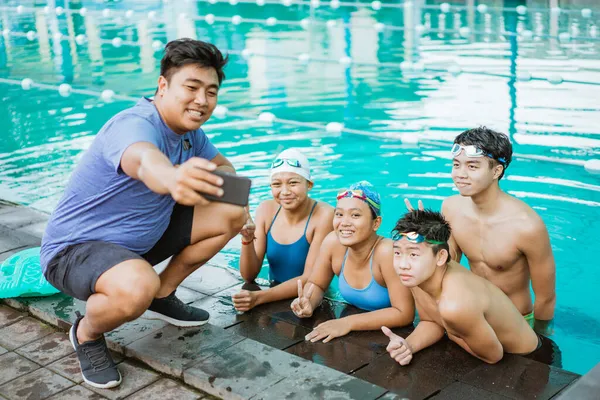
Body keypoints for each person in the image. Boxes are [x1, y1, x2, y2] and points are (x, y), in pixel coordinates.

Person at [40, 39, 247, 389]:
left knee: (234, 211)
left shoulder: (189, 134)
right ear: (163, 86)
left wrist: (223, 190)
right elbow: (144, 160)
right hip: (75, 252)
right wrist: (172, 178)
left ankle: (161, 296)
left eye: (211, 91)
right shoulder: (135, 124)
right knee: (136, 286)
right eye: (192, 87)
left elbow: (228, 171)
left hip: (137, 243)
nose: (202, 100)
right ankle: (86, 333)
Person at [407, 127, 556, 332]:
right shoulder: (451, 208)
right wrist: (426, 237)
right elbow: (446, 266)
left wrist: (540, 338)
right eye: (456, 165)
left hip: (516, 322)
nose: (460, 174)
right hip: (474, 314)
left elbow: (546, 298)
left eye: (472, 166)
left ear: (496, 171)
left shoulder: (527, 226)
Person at [383, 209, 540, 366]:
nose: (402, 265)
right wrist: (408, 346)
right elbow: (431, 321)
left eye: (413, 255)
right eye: (397, 253)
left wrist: (451, 333)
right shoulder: (418, 274)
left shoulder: (455, 305)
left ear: (441, 257)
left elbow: (493, 356)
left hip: (526, 359)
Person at [290, 181, 414, 343]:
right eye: (339, 214)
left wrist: (347, 323)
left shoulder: (387, 252)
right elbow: (317, 284)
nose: (344, 223)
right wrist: (308, 302)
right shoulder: (333, 243)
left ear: (376, 223)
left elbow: (404, 313)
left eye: (355, 215)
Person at [232, 149, 334, 312]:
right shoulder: (266, 209)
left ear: (309, 185)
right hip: (274, 292)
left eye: (293, 183)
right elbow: (249, 276)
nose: (285, 192)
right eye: (277, 184)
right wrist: (247, 238)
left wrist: (259, 297)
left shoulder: (324, 215)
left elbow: (310, 279)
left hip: (311, 300)